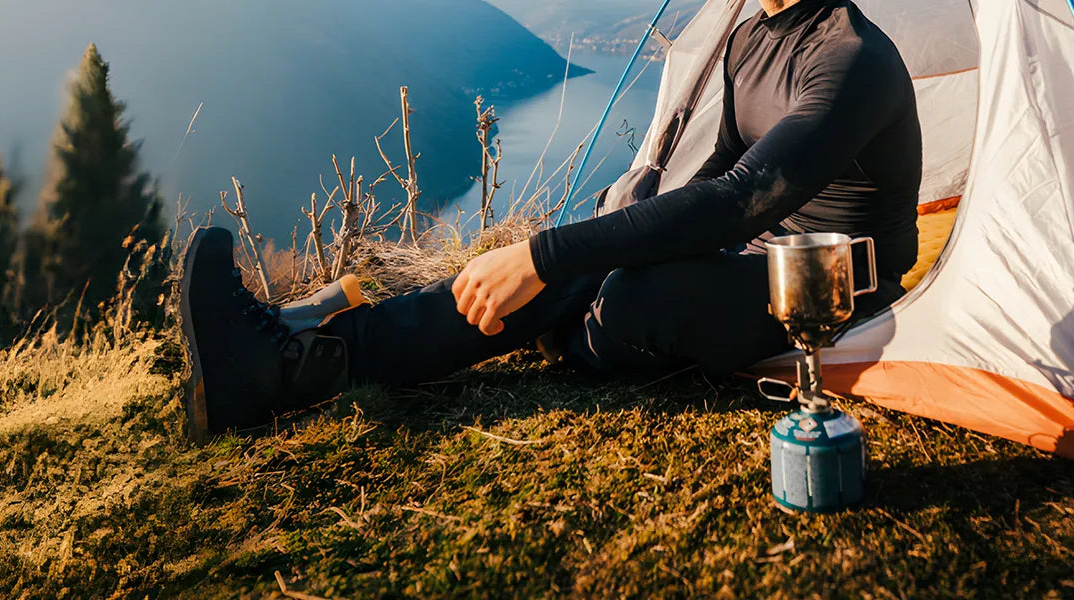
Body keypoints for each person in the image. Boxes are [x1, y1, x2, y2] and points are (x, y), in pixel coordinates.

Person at [177, 0, 921, 441]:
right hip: (746, 263)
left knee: (626, 296)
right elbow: (710, 178)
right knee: (625, 224)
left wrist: (544, 255)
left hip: (832, 290)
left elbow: (743, 197)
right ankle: (294, 363)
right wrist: (609, 235)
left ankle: (308, 360)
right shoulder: (750, 37)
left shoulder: (852, 58)